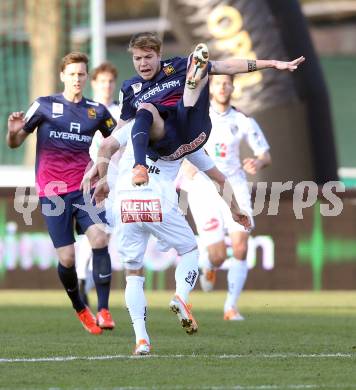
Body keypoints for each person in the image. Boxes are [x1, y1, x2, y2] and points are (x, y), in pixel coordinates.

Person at [86, 118, 251, 355]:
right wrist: (235, 209)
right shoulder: (186, 136)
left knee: (133, 272)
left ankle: (142, 340)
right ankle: (181, 296)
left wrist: (101, 179)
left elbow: (105, 148)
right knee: (190, 250)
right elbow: (219, 178)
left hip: (125, 202)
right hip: (157, 200)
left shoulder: (133, 125)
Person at [6, 52, 117, 335]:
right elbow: (15, 143)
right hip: (52, 192)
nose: (77, 79)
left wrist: (103, 169)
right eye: (72, 74)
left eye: (81, 74)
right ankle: (80, 307)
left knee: (100, 237)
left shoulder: (97, 112)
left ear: (85, 76)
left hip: (84, 188)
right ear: (62, 76)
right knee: (67, 258)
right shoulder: (43, 106)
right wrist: (12, 132)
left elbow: (116, 140)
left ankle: (104, 310)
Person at [117, 32, 304, 186]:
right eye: (138, 58)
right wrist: (108, 162)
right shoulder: (129, 88)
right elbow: (121, 128)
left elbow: (229, 66)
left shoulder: (176, 66)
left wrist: (272, 64)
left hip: (191, 126)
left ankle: (194, 81)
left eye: (148, 57)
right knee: (145, 110)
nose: (143, 64)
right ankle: (139, 166)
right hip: (164, 140)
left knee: (200, 66)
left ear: (159, 55)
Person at [185, 74, 271, 321]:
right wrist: (185, 164)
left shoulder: (243, 120)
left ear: (233, 87)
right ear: (210, 88)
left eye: (226, 83)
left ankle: (230, 307)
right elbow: (177, 145)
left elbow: (265, 154)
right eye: (217, 83)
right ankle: (209, 266)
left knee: (241, 246)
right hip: (204, 188)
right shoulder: (198, 117)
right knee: (219, 255)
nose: (222, 87)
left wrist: (258, 161)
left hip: (235, 185)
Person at [75, 61, 121, 306]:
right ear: (94, 84)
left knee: (106, 235)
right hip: (89, 176)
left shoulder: (122, 111)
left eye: (111, 81)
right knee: (92, 231)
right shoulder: (86, 110)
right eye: (102, 81)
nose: (107, 85)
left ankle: (87, 281)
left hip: (115, 177)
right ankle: (82, 279)